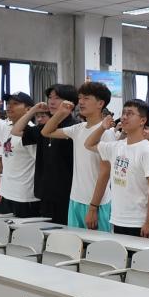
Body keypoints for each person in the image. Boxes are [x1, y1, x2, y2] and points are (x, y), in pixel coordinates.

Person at [41, 82, 116, 230]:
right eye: (80, 98)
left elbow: (105, 172)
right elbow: (46, 132)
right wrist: (60, 113)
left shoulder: (106, 132)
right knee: (75, 242)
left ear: (100, 103)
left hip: (97, 203)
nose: (81, 102)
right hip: (75, 199)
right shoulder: (78, 128)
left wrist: (93, 207)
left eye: (86, 98)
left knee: (97, 244)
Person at [85, 99, 149, 238]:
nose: (124, 117)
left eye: (130, 113)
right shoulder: (117, 146)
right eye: (123, 113)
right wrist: (102, 127)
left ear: (142, 120)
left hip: (140, 222)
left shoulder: (148, 151)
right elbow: (88, 144)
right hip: (118, 219)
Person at [12, 84, 78, 225]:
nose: (52, 102)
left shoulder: (75, 127)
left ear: (70, 102)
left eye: (57, 98)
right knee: (47, 233)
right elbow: (16, 131)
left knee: (64, 233)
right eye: (50, 98)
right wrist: (33, 110)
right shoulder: (44, 127)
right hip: (45, 192)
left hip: (67, 193)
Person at [0, 92, 40, 217]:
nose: (9, 106)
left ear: (28, 109)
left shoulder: (30, 132)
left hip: (25, 196)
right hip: (6, 193)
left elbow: (41, 163)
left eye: (15, 103)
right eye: (8, 103)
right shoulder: (6, 126)